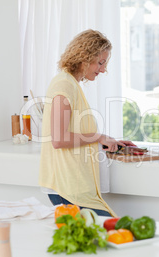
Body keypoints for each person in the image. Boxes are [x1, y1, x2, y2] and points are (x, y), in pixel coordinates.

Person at [39, 29, 135, 217]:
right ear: (84, 58)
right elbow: (58, 139)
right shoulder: (64, 85)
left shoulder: (70, 84)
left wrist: (104, 140)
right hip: (67, 188)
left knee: (97, 239)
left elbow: (73, 132)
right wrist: (98, 136)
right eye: (100, 63)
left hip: (72, 186)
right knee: (108, 234)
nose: (103, 69)